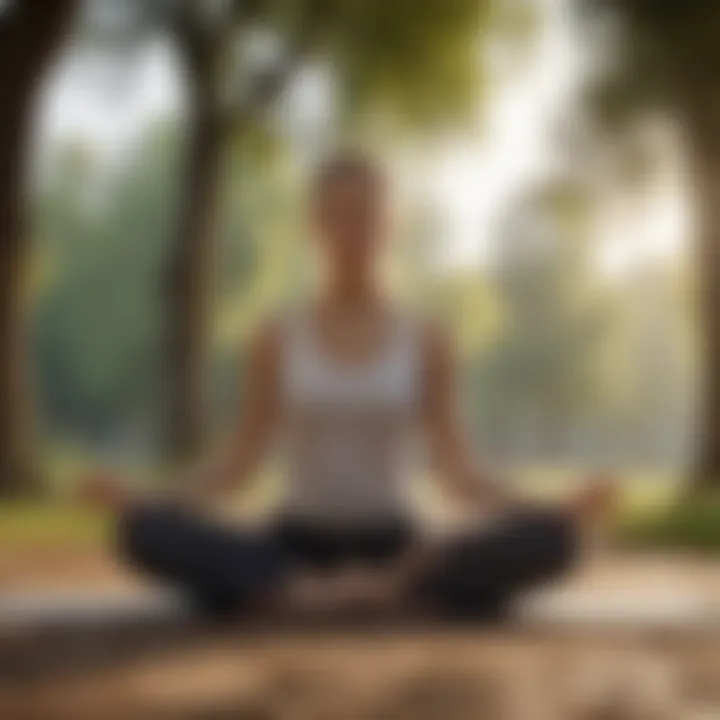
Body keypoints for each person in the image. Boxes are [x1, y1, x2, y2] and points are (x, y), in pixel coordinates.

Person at [84, 151, 613, 621]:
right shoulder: (276, 335)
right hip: (291, 546)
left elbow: (459, 471)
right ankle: (331, 592)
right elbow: (237, 465)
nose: (353, 229)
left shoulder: (429, 337)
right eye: (339, 214)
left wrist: (550, 507)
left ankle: (343, 592)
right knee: (142, 532)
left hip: (402, 550)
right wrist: (146, 498)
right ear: (315, 226)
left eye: (368, 214)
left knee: (560, 540)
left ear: (392, 225)